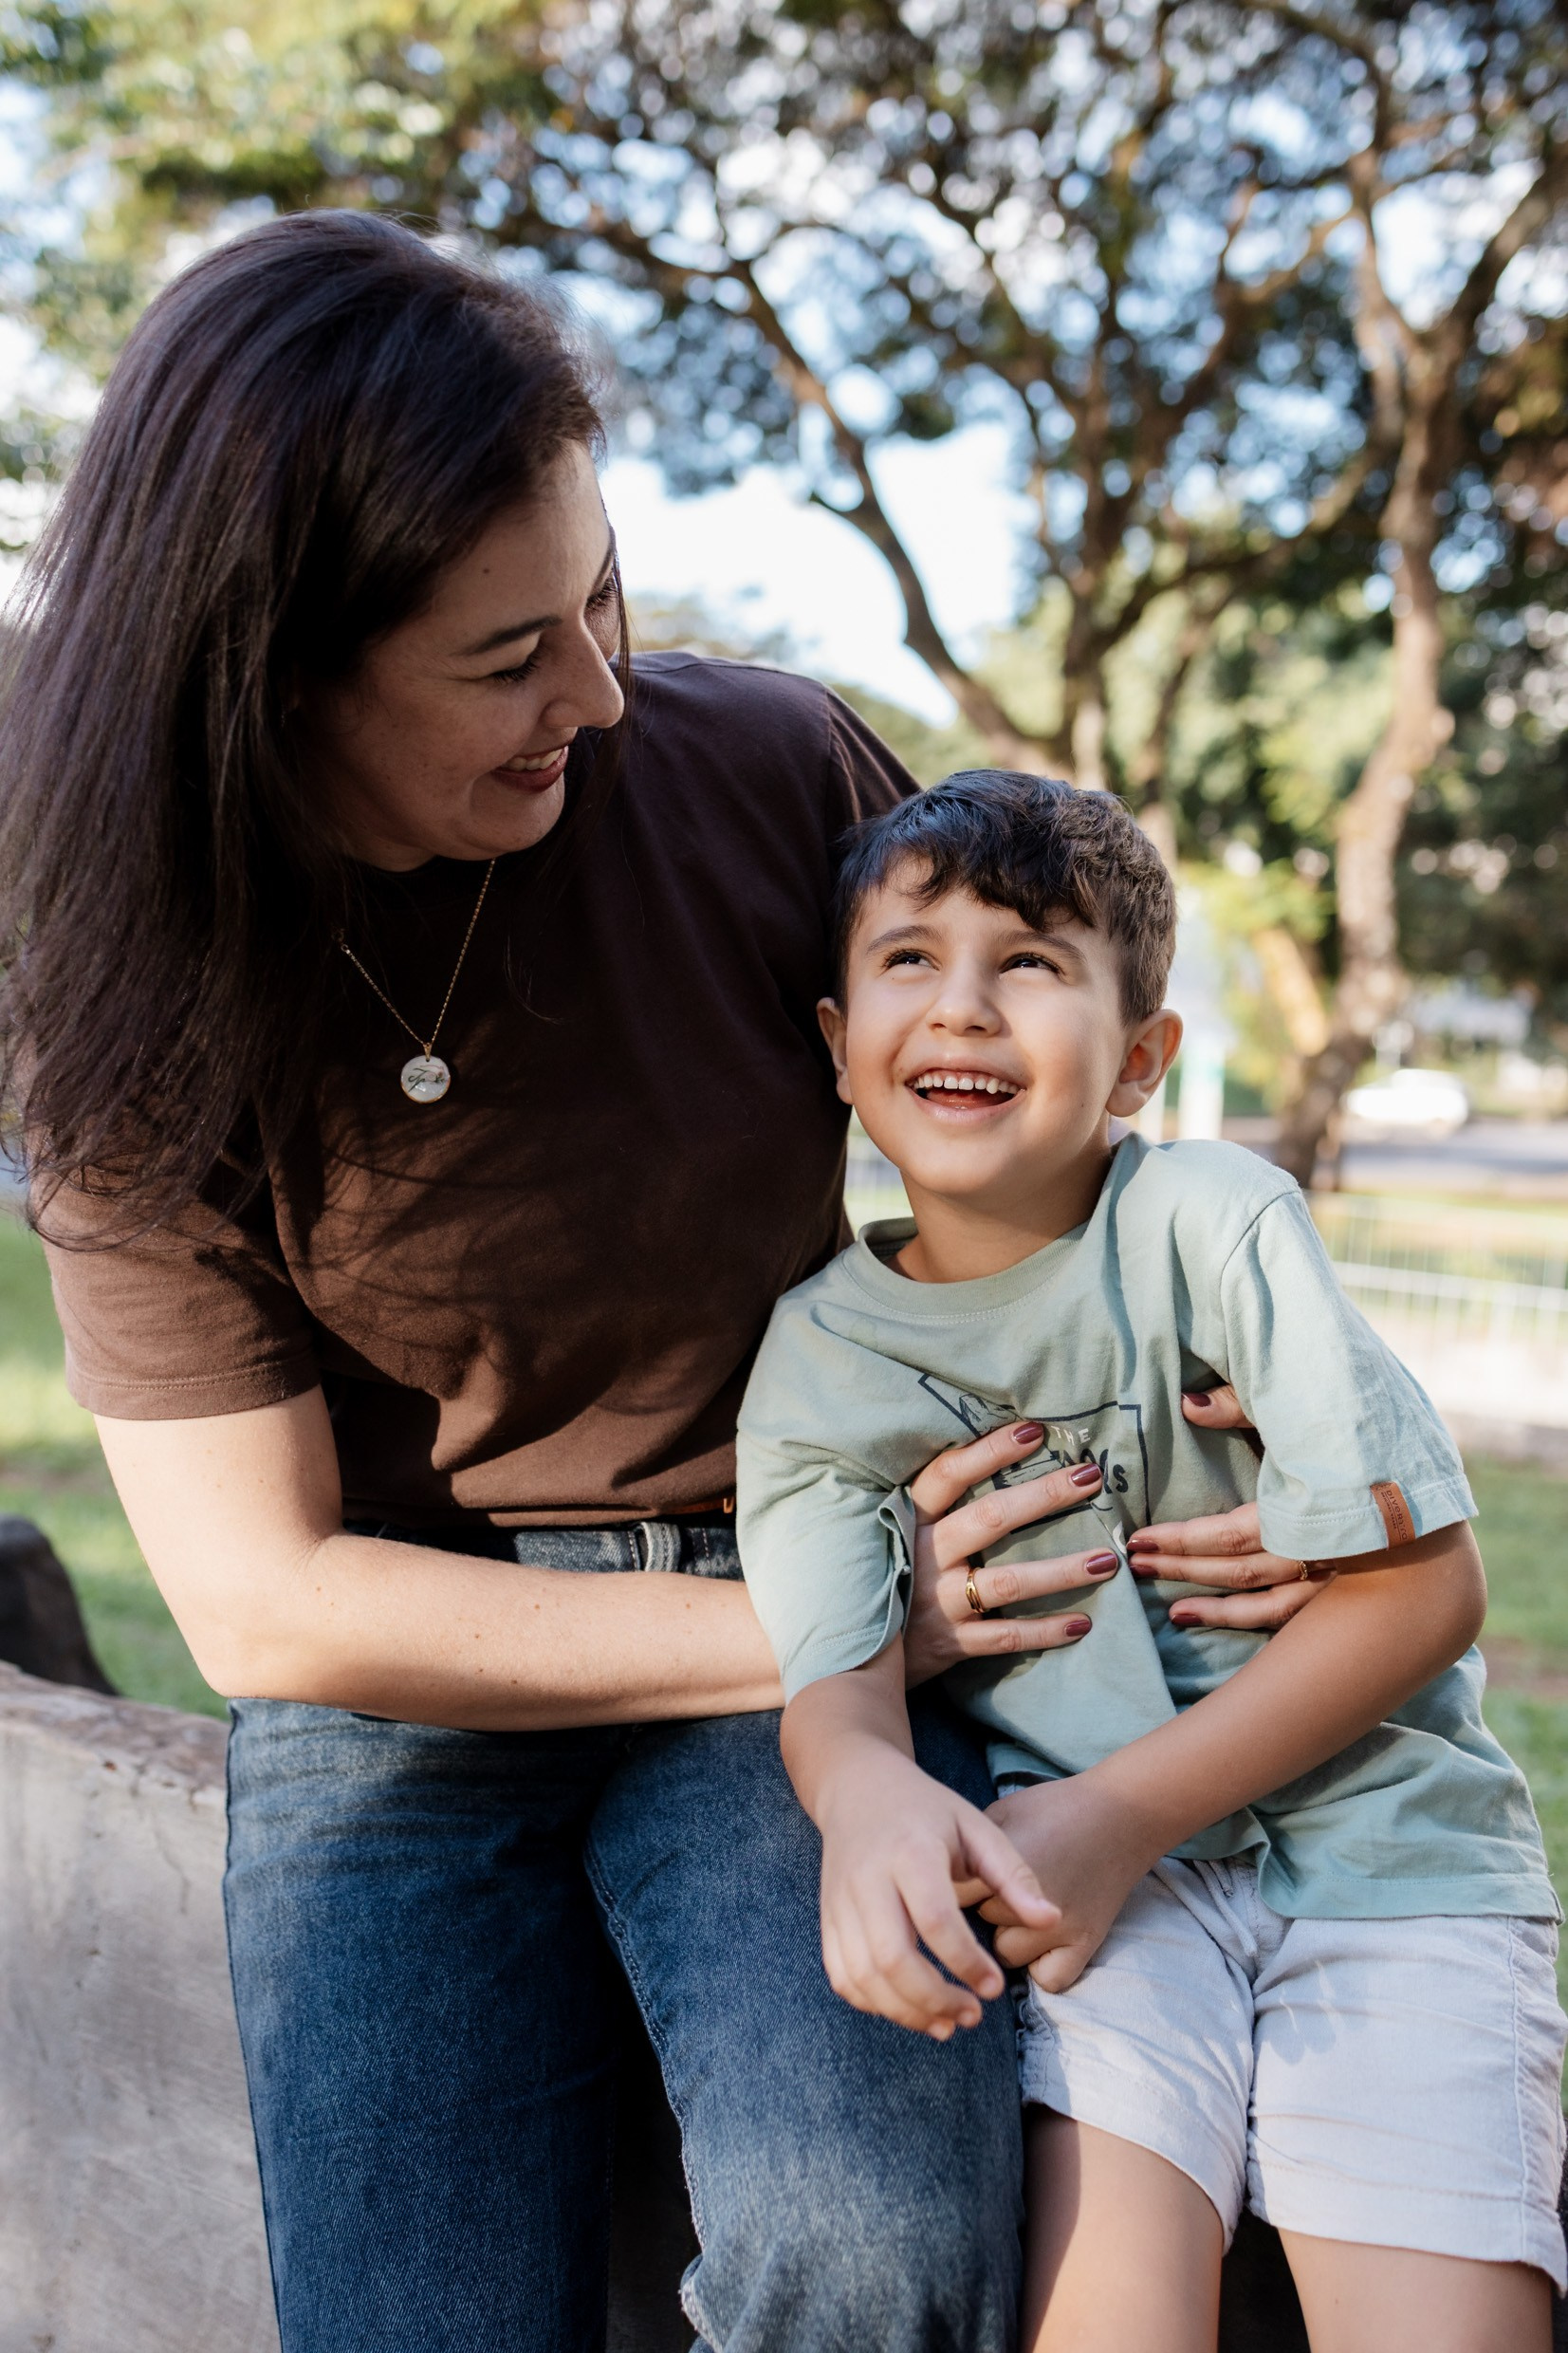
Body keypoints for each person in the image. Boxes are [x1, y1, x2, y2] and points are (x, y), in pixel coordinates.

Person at [0, 212, 1331, 2352]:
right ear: (275, 675)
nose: (597, 690)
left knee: (872, 2258)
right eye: (505, 655)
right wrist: (854, 1612)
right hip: (403, 1689)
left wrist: (1216, 1371)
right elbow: (265, 1603)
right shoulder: (129, 994)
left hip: (787, 1602)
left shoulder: (754, 767)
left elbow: (1030, 1096)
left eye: (599, 595)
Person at [738, 771, 1568, 2353]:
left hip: (1391, 1860)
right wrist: (863, 1806)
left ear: (1139, 1057)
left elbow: (1429, 1588)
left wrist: (1113, 1816)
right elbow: (833, 1688)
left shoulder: (1217, 1221)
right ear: (838, 1043)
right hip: (1104, 1911)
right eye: (909, 960)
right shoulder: (816, 1366)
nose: (964, 1008)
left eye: (1031, 962)